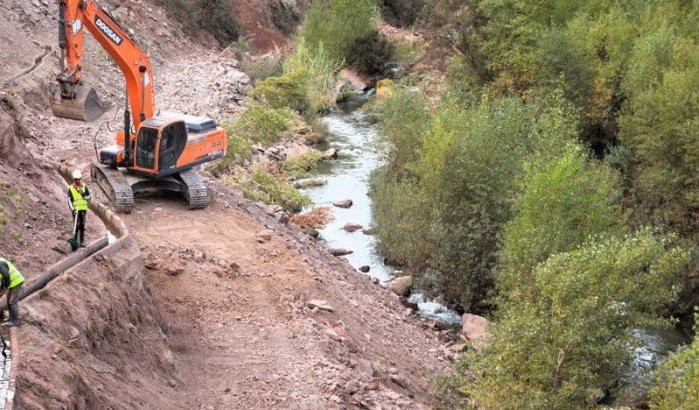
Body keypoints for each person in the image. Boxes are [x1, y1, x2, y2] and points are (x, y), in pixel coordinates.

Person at [68, 169, 91, 248]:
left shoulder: (84, 186)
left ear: (80, 179)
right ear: (74, 180)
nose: (77, 181)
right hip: (76, 211)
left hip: (83, 210)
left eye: (78, 179)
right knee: (76, 225)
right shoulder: (71, 188)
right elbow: (69, 201)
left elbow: (89, 197)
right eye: (76, 180)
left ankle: (82, 241)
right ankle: (75, 241)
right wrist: (73, 209)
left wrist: (84, 195)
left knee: (82, 225)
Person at [0, 257, 25, 327]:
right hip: (12, 282)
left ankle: (15, 321)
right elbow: (2, 279)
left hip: (16, 281)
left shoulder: (0, 263)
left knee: (12, 301)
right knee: (8, 300)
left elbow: (6, 276)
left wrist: (4, 289)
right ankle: (11, 318)